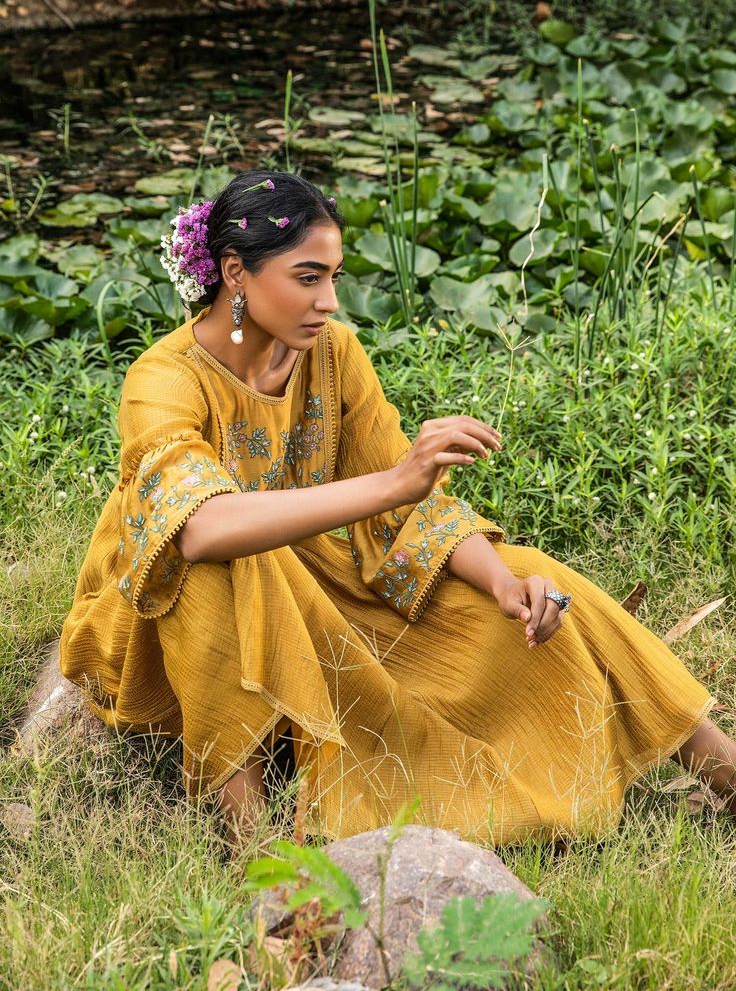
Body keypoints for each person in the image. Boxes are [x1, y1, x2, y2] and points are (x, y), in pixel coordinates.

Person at [59, 170, 736, 843]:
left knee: (533, 575)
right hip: (166, 601)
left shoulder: (333, 352)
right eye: (307, 277)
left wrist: (502, 584)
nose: (328, 301)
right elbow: (201, 530)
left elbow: (406, 512)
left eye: (334, 277)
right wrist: (396, 483)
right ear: (235, 273)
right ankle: (257, 851)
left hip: (319, 578)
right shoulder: (162, 377)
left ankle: (722, 770)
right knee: (225, 568)